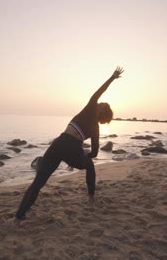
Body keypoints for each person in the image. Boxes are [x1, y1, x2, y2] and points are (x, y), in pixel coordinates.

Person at [11, 66, 124, 224]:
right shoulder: (95, 128)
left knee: (38, 183)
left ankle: (18, 217)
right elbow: (95, 153)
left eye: (102, 105)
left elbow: (99, 91)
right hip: (71, 148)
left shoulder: (90, 109)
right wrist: (81, 159)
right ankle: (91, 196)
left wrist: (112, 77)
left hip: (59, 144)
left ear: (101, 111)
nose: (99, 103)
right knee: (90, 165)